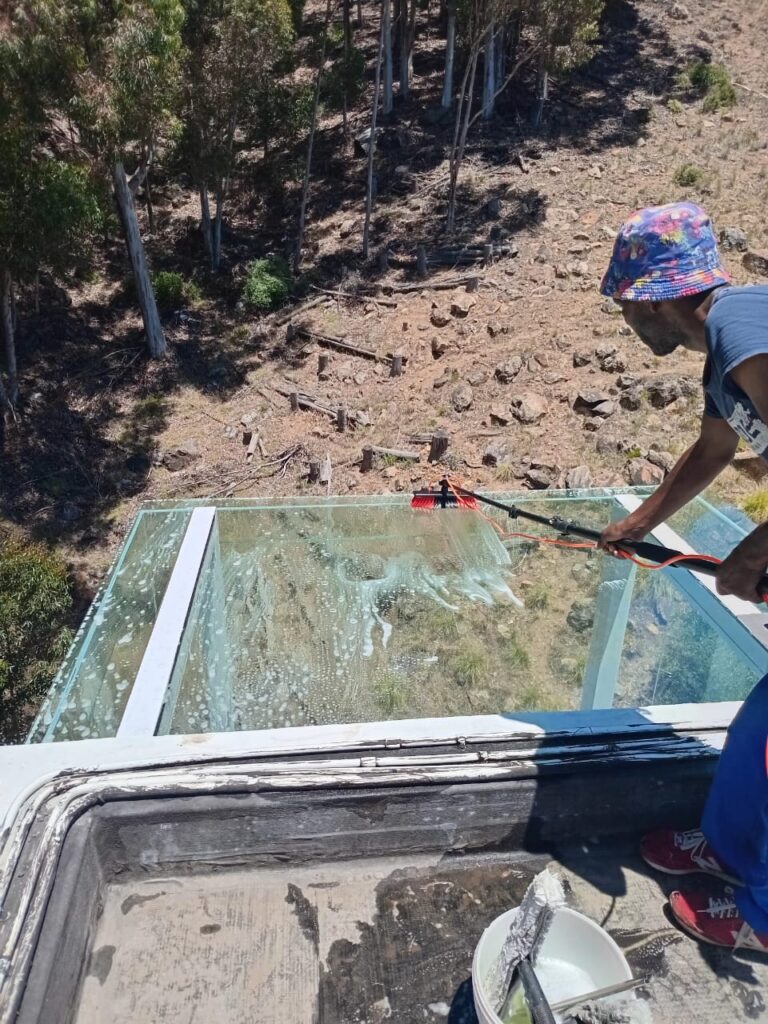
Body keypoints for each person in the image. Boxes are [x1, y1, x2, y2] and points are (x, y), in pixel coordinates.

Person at [598, 200, 768, 951]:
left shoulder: (742, 325)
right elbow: (712, 452)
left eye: (628, 304)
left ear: (658, 296)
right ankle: (731, 851)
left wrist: (756, 552)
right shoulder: (724, 353)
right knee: (757, 730)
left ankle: (763, 919)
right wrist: (637, 522)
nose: (628, 320)